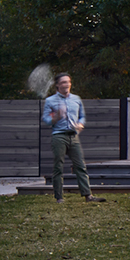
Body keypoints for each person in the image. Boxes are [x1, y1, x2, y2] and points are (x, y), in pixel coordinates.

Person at [41, 73, 103, 203]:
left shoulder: (76, 99)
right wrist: (55, 118)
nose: (67, 84)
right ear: (57, 85)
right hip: (59, 136)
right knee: (58, 167)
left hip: (74, 136)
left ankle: (88, 196)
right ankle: (59, 197)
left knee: (80, 166)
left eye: (68, 82)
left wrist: (81, 124)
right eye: (63, 82)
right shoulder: (50, 100)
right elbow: (46, 119)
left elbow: (82, 116)